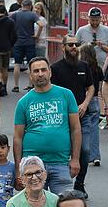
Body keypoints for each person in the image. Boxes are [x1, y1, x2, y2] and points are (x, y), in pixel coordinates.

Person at [13, 57, 81, 194]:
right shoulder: (23, 102)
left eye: (43, 70)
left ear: (50, 72)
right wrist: (18, 168)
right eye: (36, 71)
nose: (40, 74)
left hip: (61, 162)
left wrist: (75, 159)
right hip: (32, 165)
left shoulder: (66, 95)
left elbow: (76, 129)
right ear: (30, 75)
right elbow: (17, 137)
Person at [50, 35, 95, 195]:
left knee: (85, 150)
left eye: (76, 44)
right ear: (63, 47)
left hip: (84, 116)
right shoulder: (55, 68)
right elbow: (52, 92)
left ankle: (80, 184)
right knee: (64, 150)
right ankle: (62, 183)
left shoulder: (84, 66)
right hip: (63, 118)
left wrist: (85, 104)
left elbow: (91, 88)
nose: (74, 47)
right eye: (70, 45)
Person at [78, 44, 103, 166]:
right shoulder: (97, 68)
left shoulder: (82, 68)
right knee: (94, 129)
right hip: (95, 100)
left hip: (85, 99)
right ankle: (96, 155)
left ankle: (85, 154)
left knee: (84, 129)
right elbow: (101, 84)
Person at [10, 0, 42, 93]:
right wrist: (37, 35)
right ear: (30, 6)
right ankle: (30, 85)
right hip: (29, 42)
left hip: (18, 42)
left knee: (17, 64)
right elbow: (41, 24)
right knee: (31, 64)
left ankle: (16, 86)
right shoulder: (32, 15)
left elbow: (10, 22)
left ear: (22, 5)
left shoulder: (16, 14)